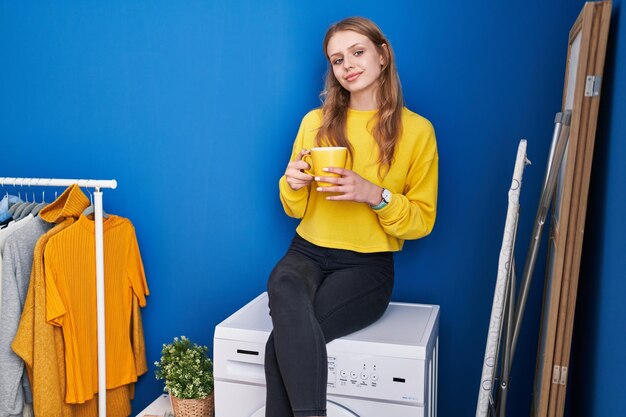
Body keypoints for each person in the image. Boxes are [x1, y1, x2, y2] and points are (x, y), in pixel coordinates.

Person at [264, 16, 438, 417]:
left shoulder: (417, 131)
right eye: (337, 59)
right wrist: (291, 183)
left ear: (382, 54)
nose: (348, 65)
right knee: (283, 281)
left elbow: (422, 221)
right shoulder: (315, 122)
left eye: (357, 52)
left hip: (366, 266)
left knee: (280, 346)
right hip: (307, 250)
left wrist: (374, 195)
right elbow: (295, 209)